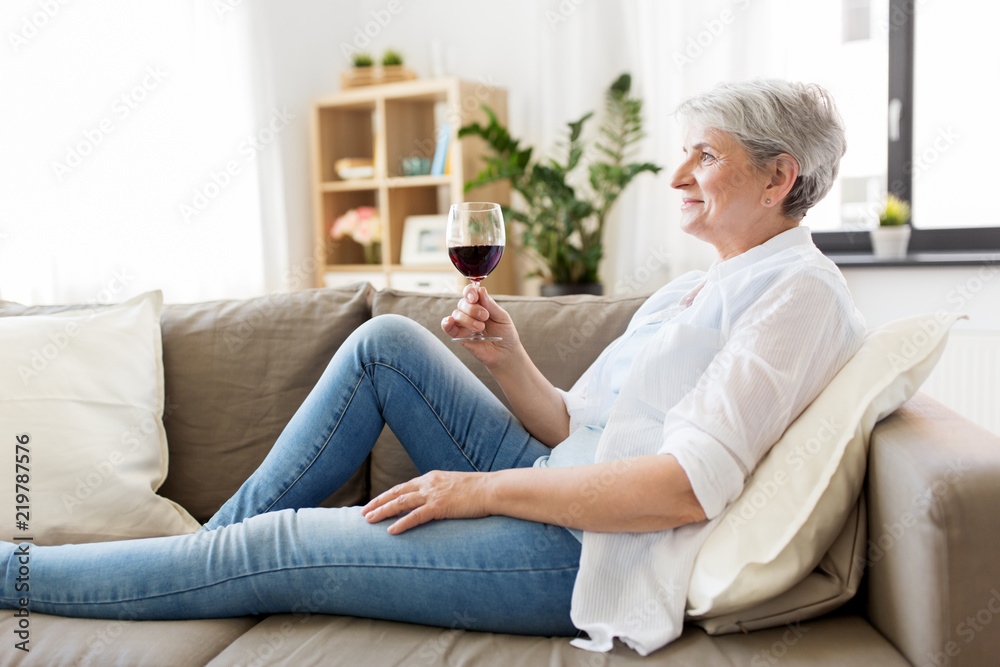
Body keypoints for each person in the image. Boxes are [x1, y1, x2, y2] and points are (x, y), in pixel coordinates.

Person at [1, 79, 865, 656]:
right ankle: (204, 564)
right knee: (390, 346)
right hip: (561, 479)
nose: (677, 173)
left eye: (704, 156)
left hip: (588, 553)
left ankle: (23, 572)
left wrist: (476, 489)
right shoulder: (707, 282)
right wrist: (506, 354)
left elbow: (680, 489)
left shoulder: (798, 295)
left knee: (285, 544)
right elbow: (573, 425)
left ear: (777, 175)